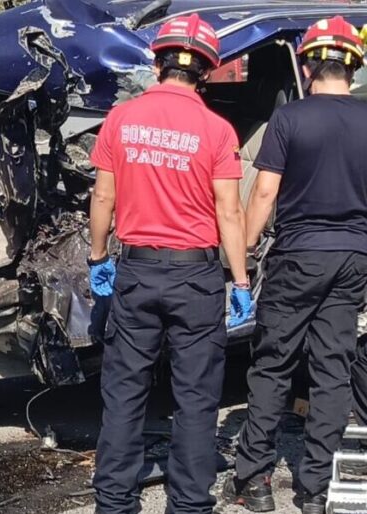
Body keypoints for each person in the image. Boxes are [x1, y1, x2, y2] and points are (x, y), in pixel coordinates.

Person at [88, 13, 252, 514]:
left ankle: (114, 502)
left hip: (136, 273)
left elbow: (102, 197)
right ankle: (188, 505)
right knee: (197, 399)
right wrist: (241, 281)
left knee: (124, 393)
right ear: (204, 72)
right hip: (196, 278)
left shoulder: (121, 120)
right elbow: (229, 210)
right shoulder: (218, 131)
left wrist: (98, 256)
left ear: (158, 63)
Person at [224, 16, 367, 514]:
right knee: (333, 370)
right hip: (353, 259)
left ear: (307, 65)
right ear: (354, 66)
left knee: (274, 363)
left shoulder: (291, 118)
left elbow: (264, 192)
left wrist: (238, 256)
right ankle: (314, 491)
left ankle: (254, 483)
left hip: (298, 256)